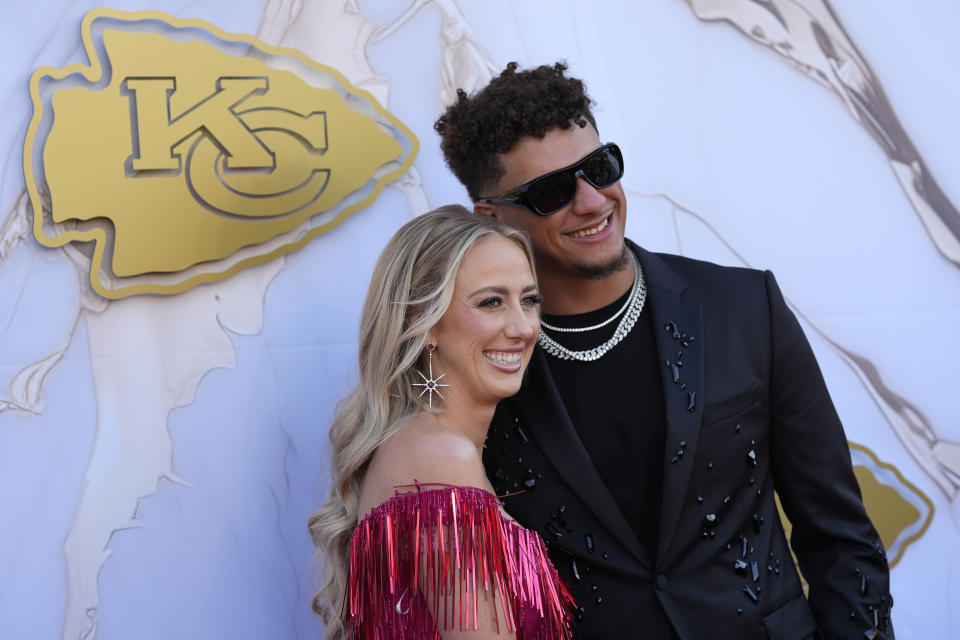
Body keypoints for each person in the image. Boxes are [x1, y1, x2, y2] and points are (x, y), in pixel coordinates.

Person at [434, 62, 894, 639]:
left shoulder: (745, 307)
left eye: (599, 168)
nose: (591, 201)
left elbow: (841, 536)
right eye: (552, 191)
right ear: (492, 217)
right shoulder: (477, 363)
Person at [308, 205, 575, 640]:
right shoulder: (439, 458)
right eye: (491, 302)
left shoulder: (420, 447)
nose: (524, 327)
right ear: (423, 321)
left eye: (529, 300)